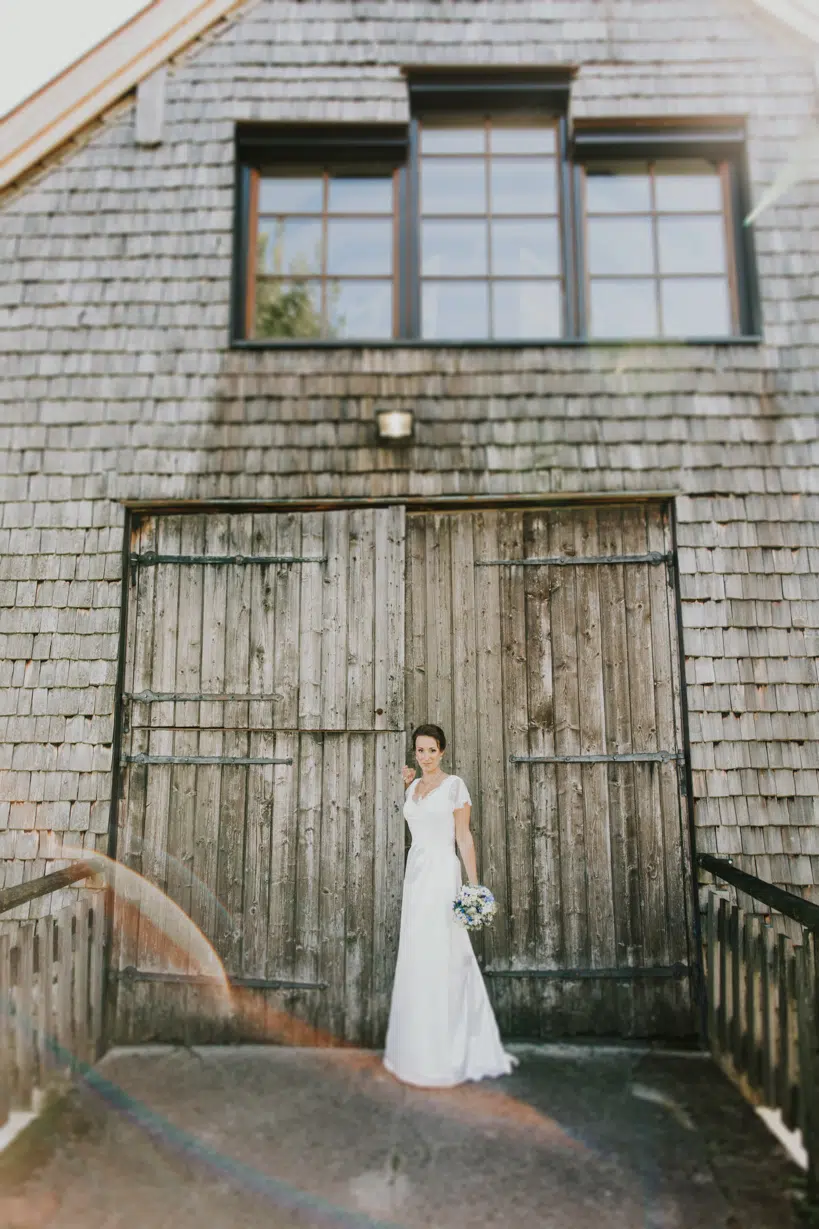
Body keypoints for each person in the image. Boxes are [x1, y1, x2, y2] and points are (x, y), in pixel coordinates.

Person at [382, 723, 519, 1088]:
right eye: (420, 750)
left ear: (442, 751)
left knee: (445, 953)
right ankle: (415, 1049)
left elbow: (463, 836)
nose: (425, 757)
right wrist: (405, 783)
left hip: (443, 874)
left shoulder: (455, 785)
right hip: (417, 875)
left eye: (431, 750)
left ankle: (451, 1048)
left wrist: (473, 885)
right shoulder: (412, 786)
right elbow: (416, 816)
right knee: (418, 955)